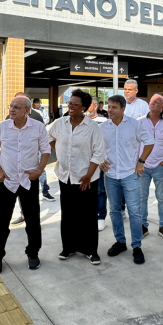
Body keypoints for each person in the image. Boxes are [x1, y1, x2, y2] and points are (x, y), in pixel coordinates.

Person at [0, 95, 51, 273]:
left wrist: (39, 171)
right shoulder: (2, 127)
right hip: (6, 181)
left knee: (32, 221)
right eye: (11, 106)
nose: (12, 110)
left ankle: (33, 254)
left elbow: (46, 151)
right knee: (1, 221)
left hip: (28, 181)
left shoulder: (38, 127)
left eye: (17, 107)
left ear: (27, 111)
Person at [47, 89, 106, 264]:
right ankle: (68, 247)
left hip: (86, 179)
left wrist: (88, 176)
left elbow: (98, 153)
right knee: (68, 215)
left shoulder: (92, 127)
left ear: (84, 108)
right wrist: (58, 150)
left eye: (75, 104)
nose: (70, 107)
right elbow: (47, 135)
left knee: (87, 216)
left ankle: (90, 250)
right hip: (65, 177)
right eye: (69, 103)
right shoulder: (60, 123)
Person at [100, 94, 154, 264]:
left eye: (114, 107)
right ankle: (120, 242)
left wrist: (141, 161)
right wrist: (101, 159)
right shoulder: (103, 127)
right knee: (115, 210)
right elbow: (96, 146)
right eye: (109, 107)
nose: (110, 110)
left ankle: (137, 246)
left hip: (130, 174)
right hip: (110, 175)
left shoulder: (134, 125)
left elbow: (150, 141)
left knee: (134, 211)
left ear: (123, 109)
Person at [139, 94, 163, 240]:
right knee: (142, 198)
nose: (153, 104)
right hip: (143, 167)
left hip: (160, 166)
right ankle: (142, 225)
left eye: (156, 102)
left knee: (161, 198)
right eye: (151, 101)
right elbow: (134, 143)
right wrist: (137, 162)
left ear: (162, 107)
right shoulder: (139, 122)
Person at [84, 99, 109, 229]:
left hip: (99, 163)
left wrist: (103, 159)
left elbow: (107, 143)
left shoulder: (104, 122)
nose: (87, 108)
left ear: (95, 106)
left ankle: (100, 216)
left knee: (100, 190)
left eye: (88, 105)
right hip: (83, 163)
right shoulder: (80, 121)